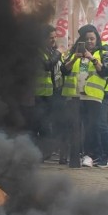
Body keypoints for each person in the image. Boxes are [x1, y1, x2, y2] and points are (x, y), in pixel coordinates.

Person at [61, 24, 108, 167]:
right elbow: (64, 69)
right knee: (75, 126)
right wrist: (75, 57)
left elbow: (106, 70)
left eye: (92, 38)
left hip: (93, 96)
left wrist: (92, 59)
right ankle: (76, 154)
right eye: (87, 39)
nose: (89, 41)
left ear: (97, 40)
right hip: (75, 95)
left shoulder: (103, 52)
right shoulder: (73, 52)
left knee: (91, 127)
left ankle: (91, 155)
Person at [33, 26, 62, 161]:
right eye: (51, 37)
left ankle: (44, 151)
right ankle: (37, 152)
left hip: (48, 94)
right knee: (38, 124)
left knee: (46, 123)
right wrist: (58, 54)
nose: (54, 40)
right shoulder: (37, 51)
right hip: (37, 94)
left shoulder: (50, 51)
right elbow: (46, 65)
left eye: (55, 37)